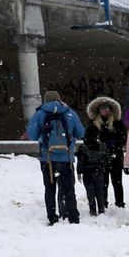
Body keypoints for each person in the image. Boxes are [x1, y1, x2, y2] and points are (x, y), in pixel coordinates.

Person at [26, 90, 86, 226]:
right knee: (69, 189)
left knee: (49, 189)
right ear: (59, 99)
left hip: (47, 159)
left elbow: (32, 135)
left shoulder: (39, 114)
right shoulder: (69, 113)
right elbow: (81, 132)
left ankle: (52, 217)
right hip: (67, 159)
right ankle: (73, 216)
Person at [79, 95, 124, 216]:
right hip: (100, 160)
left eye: (108, 108)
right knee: (103, 183)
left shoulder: (117, 124)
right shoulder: (92, 125)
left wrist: (112, 147)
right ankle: (103, 203)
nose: (106, 111)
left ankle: (120, 204)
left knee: (117, 182)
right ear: (98, 110)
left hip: (115, 158)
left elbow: (122, 139)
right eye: (103, 108)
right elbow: (88, 142)